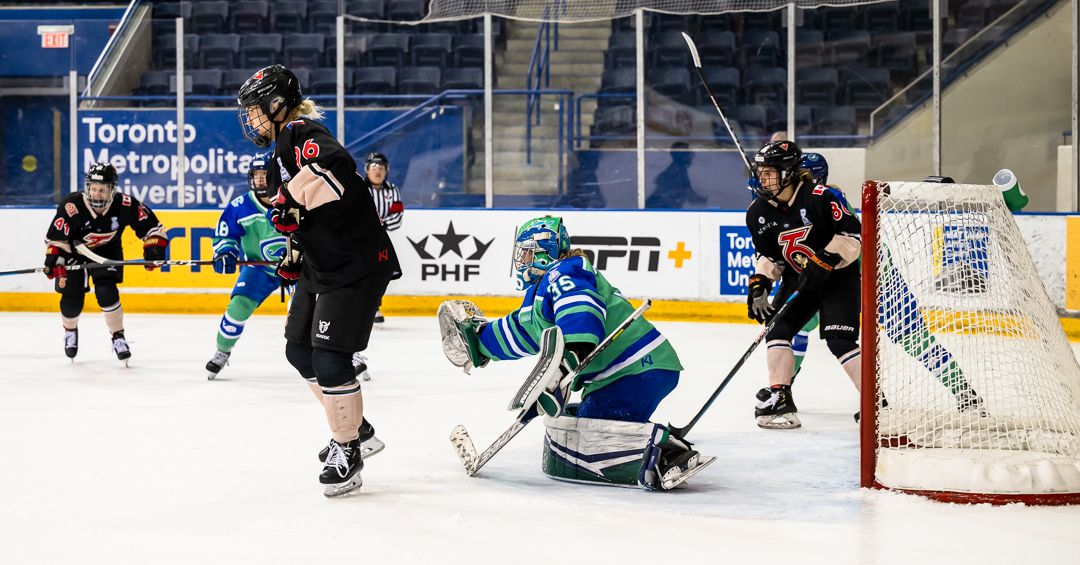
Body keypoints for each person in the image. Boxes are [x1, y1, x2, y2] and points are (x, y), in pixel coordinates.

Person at [439, 216, 713, 490]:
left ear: (544, 252)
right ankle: (662, 443)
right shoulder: (540, 293)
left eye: (526, 252)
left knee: (594, 428)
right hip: (624, 373)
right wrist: (480, 343)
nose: (521, 260)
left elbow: (580, 308)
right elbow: (522, 331)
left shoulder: (565, 272)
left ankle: (668, 457)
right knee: (580, 417)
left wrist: (569, 356)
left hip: (638, 367)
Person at [237, 64, 400, 497]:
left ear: (277, 104)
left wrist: (289, 199)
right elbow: (306, 219)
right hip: (323, 263)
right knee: (299, 350)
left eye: (255, 111)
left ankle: (348, 449)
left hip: (356, 263)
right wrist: (293, 250)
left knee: (329, 359)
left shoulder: (299, 132)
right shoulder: (278, 156)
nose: (251, 120)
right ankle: (356, 427)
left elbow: (334, 166)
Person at [744, 140, 862, 429]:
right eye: (760, 172)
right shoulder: (757, 212)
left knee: (839, 339)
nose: (762, 178)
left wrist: (826, 259)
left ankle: (875, 402)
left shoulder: (821, 197)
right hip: (799, 280)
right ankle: (780, 397)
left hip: (837, 279)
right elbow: (771, 256)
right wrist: (760, 281)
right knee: (777, 330)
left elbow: (853, 236)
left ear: (788, 173)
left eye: (769, 172)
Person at [43, 162, 168, 365]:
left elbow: (153, 229)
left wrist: (153, 249)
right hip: (75, 254)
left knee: (106, 293)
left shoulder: (125, 205)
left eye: (102, 189)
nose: (96, 194)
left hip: (107, 253)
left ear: (112, 190)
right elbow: (56, 239)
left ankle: (118, 337)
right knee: (71, 302)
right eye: (93, 188)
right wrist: (55, 260)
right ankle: (70, 331)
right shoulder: (71, 206)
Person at [204, 151, 289, 379]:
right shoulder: (240, 205)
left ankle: (338, 353)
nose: (260, 179)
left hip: (295, 267)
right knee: (238, 306)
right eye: (256, 174)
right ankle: (222, 351)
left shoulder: (293, 199)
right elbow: (225, 235)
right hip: (259, 268)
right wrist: (225, 252)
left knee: (310, 310)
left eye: (265, 174)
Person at [360, 151, 403, 328]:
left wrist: (377, 224)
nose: (378, 171)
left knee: (382, 274)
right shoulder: (359, 189)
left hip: (381, 242)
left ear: (387, 171)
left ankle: (374, 306)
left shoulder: (392, 190)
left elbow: (397, 217)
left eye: (381, 168)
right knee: (359, 274)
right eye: (374, 167)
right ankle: (359, 307)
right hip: (359, 241)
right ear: (367, 170)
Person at [645, 141, 707, 209]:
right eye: (688, 153)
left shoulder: (679, 169)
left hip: (661, 209)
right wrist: (707, 200)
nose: (691, 155)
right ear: (682, 156)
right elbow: (689, 195)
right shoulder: (677, 172)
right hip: (659, 210)